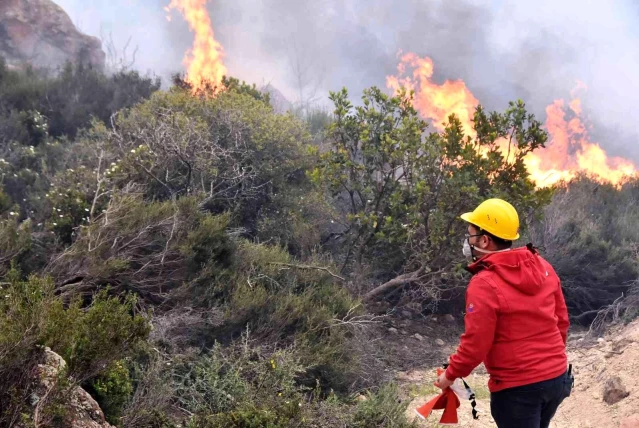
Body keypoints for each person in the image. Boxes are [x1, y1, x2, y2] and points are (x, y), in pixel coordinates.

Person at [435, 198, 573, 428]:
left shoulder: (484, 283)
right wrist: (548, 361)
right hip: (556, 379)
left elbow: (476, 344)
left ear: (485, 240)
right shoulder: (543, 266)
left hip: (518, 390)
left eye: (470, 235)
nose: (466, 242)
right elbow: (562, 322)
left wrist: (449, 375)